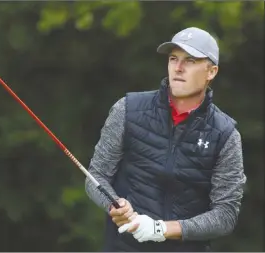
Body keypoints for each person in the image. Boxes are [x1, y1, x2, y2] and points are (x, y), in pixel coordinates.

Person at [85, 27, 246, 252]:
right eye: (173, 59)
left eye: (189, 60)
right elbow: (97, 176)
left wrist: (162, 229)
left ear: (211, 71)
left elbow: (225, 214)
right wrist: (114, 204)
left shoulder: (225, 134)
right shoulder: (127, 110)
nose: (178, 68)